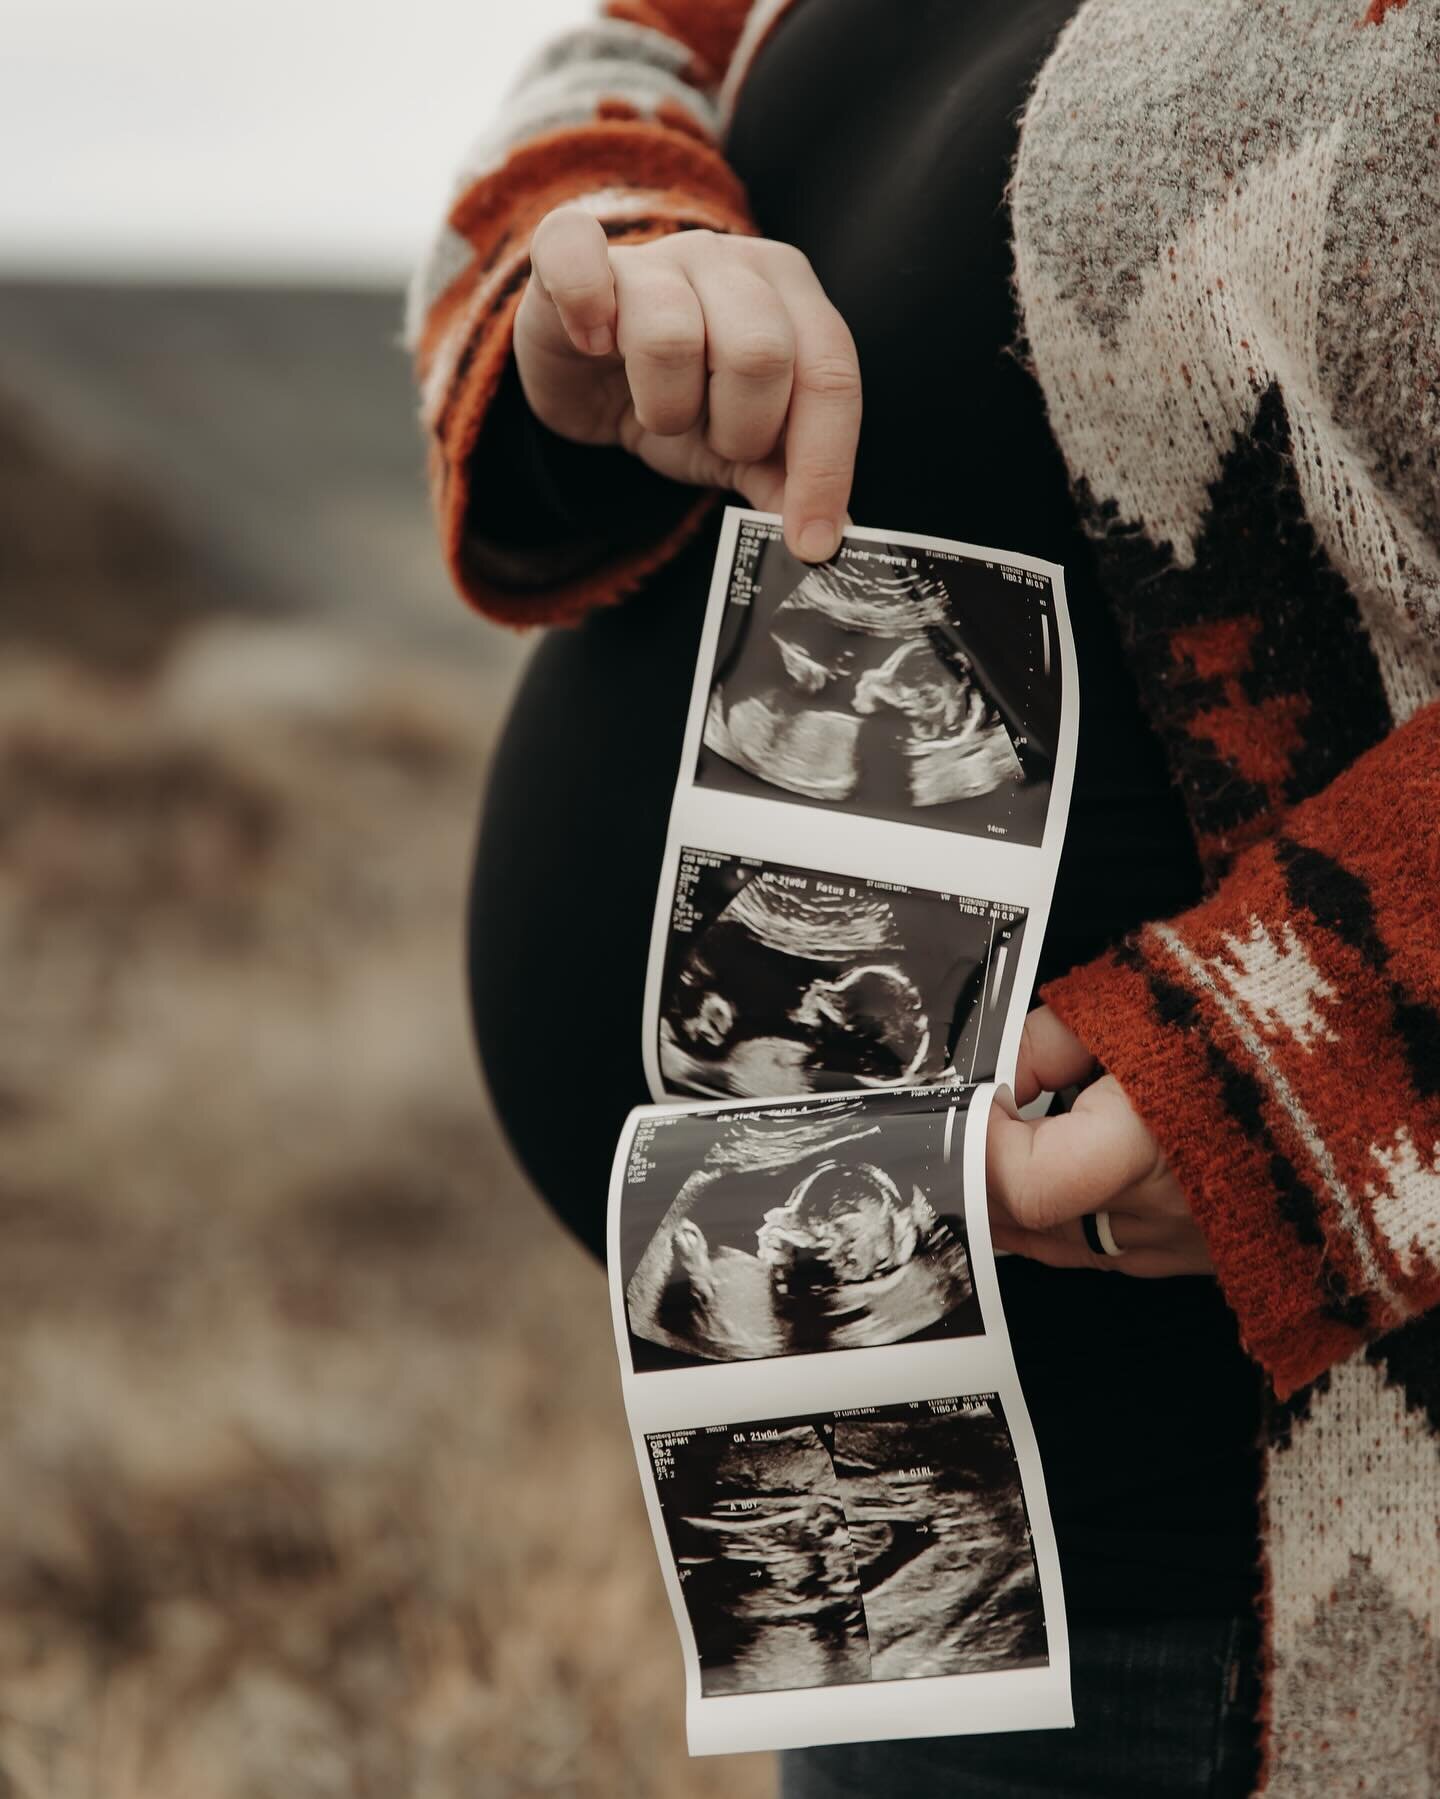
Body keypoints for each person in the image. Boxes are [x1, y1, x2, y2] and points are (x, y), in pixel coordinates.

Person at [406, 3, 1440, 1794]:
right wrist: (623, 274)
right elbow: (642, 53)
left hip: (1253, 1592)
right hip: (863, 1500)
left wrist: (1328, 1053)